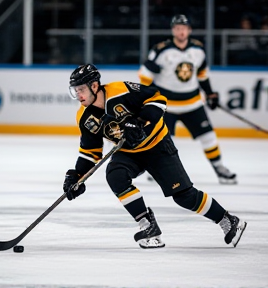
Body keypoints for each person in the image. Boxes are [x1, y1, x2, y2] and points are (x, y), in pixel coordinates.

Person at [63, 63, 247, 249]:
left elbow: (157, 98)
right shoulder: (84, 117)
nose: (78, 95)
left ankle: (228, 220)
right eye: (75, 91)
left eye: (81, 89)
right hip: (129, 153)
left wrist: (140, 121)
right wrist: (77, 176)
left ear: (94, 86)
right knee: (115, 175)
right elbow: (90, 152)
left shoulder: (121, 90)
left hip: (157, 145)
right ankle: (148, 226)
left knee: (184, 196)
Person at [138, 14, 237, 184]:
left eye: (183, 28)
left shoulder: (198, 50)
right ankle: (156, 169)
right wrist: (147, 95)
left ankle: (220, 168)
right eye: (177, 28)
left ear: (189, 30)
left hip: (192, 103)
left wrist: (210, 93)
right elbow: (144, 74)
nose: (181, 32)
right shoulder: (161, 50)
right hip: (166, 105)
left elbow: (202, 74)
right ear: (173, 30)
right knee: (160, 139)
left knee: (208, 137)